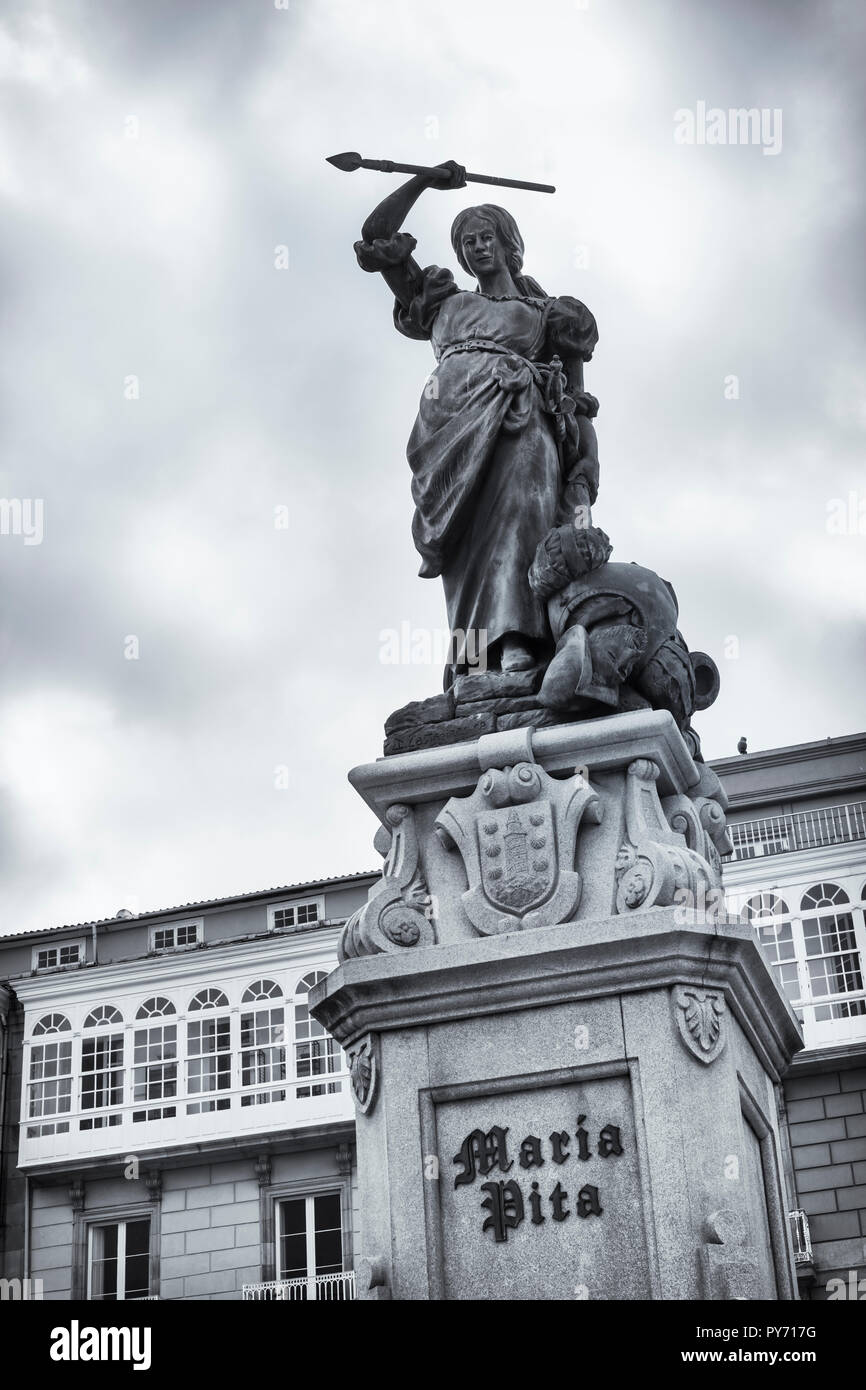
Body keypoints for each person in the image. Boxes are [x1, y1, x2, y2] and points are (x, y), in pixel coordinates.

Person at [354, 160, 600, 684]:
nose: (476, 248)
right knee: (466, 549)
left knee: (520, 522)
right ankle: (470, 660)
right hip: (448, 422)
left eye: (486, 236)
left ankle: (518, 644)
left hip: (520, 414)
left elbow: (578, 401)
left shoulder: (547, 313)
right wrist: (423, 180)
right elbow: (377, 236)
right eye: (467, 242)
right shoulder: (441, 298)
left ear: (507, 242)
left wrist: (586, 468)